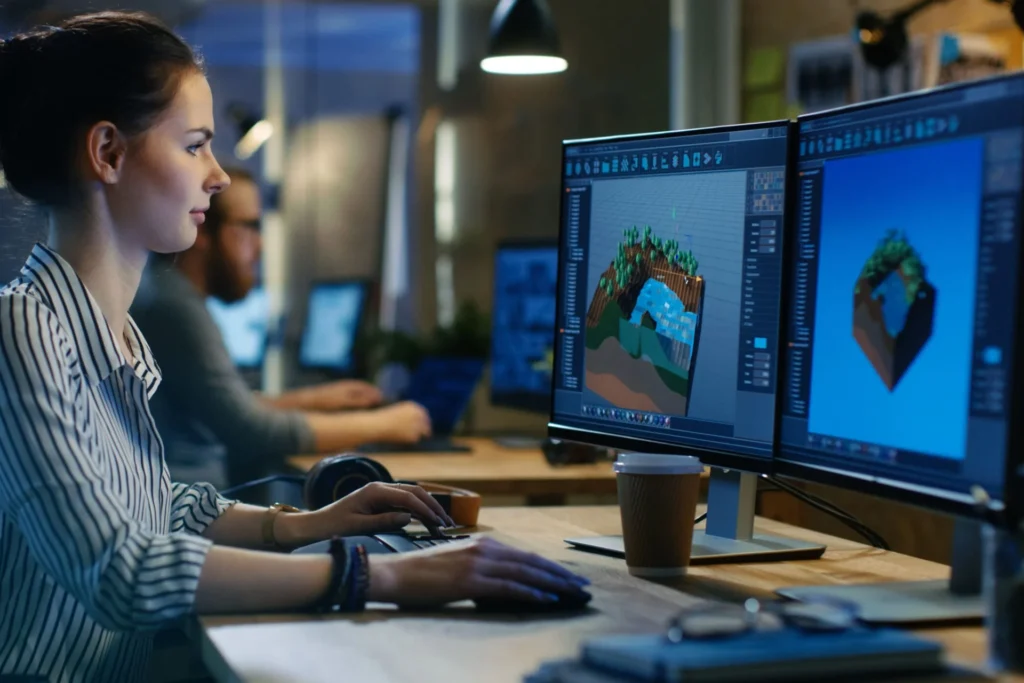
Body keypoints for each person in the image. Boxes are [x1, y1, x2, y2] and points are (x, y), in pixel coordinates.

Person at [0, 12, 588, 683]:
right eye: (195, 145)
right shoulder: (20, 328)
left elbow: (153, 505)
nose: (218, 176)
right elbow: (119, 569)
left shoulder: (114, 331)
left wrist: (307, 523)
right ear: (107, 152)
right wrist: (381, 573)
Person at [131, 170, 429, 488]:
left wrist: (314, 399)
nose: (259, 247)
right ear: (201, 225)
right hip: (190, 515)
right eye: (250, 227)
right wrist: (385, 424)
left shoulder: (168, 294)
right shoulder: (175, 308)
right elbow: (249, 430)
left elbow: (227, 406)